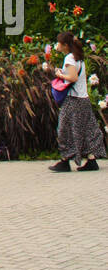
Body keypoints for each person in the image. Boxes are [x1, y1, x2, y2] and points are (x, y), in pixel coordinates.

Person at [49, 30, 106, 172]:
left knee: (64, 129)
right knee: (85, 130)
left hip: (73, 100)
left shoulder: (69, 58)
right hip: (84, 99)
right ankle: (91, 160)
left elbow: (73, 77)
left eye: (59, 43)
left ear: (65, 45)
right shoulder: (78, 57)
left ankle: (65, 161)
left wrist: (58, 74)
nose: (57, 45)